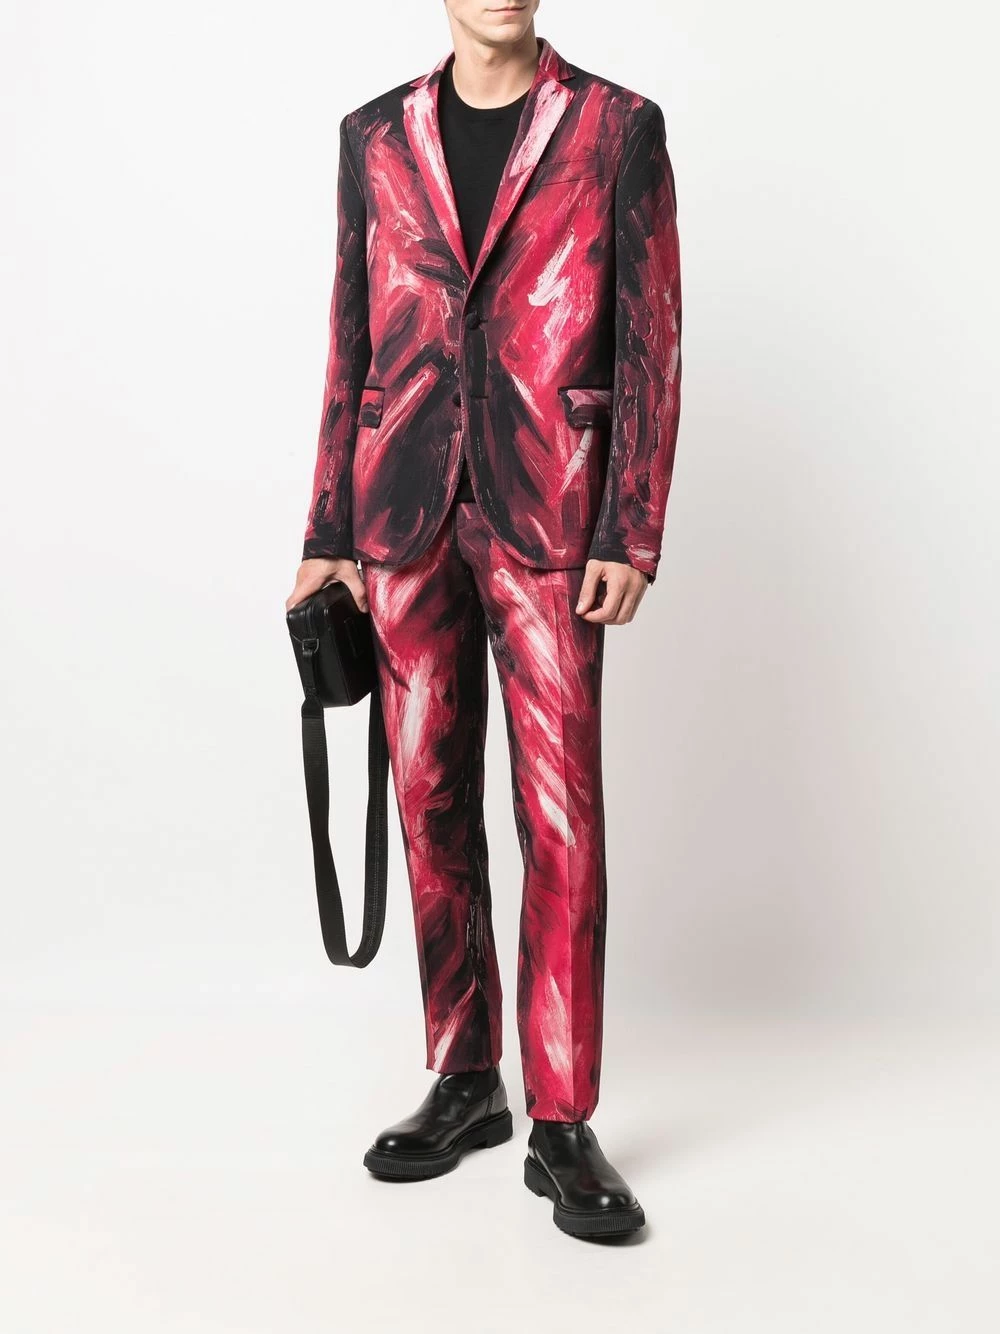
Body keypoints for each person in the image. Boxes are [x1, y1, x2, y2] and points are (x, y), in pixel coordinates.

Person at [286, 0, 681, 1240]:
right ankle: (466, 1077)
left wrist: (629, 528)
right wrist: (325, 529)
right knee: (429, 800)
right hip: (400, 510)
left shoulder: (616, 128)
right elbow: (350, 341)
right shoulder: (372, 137)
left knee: (560, 816)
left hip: (553, 517)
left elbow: (651, 337)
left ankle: (562, 1119)